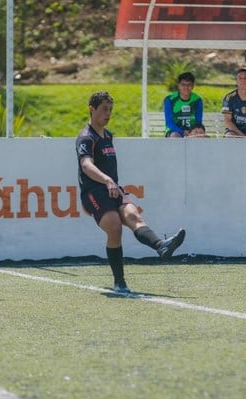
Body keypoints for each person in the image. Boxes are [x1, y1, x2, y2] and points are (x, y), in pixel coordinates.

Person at [76, 91, 186, 294]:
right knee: (115, 227)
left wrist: (113, 183)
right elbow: (86, 165)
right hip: (94, 191)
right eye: (104, 110)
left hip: (113, 188)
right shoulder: (86, 138)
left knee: (133, 215)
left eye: (110, 110)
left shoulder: (108, 136)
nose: (108, 114)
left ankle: (161, 245)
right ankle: (120, 282)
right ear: (92, 109)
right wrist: (107, 180)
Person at [163, 72, 204, 138]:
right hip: (174, 131)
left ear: (193, 86)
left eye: (189, 85)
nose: (186, 87)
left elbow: (198, 122)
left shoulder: (197, 100)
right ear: (178, 85)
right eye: (183, 84)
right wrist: (182, 132)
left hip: (192, 131)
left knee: (202, 137)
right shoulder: (170, 100)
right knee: (175, 136)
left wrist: (193, 133)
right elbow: (169, 123)